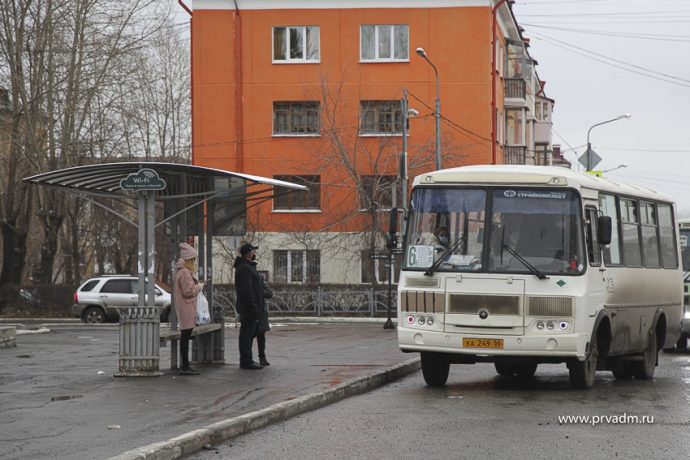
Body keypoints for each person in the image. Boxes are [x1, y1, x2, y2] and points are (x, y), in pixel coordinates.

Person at [173, 242, 205, 375]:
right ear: (189, 259)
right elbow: (188, 292)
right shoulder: (185, 273)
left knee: (185, 337)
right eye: (193, 260)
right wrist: (199, 287)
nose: (194, 262)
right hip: (187, 308)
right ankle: (185, 365)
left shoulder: (180, 272)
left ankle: (185, 365)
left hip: (184, 307)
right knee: (185, 337)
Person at [233, 243, 264, 370]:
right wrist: (253, 307)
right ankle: (246, 360)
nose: (254, 253)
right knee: (246, 334)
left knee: (249, 333)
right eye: (253, 251)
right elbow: (248, 290)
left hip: (250, 306)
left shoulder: (248, 267)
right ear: (248, 254)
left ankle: (247, 359)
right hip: (248, 307)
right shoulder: (245, 268)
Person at [256, 278, 273, 366]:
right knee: (247, 337)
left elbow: (269, 293)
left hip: (260, 311)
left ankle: (262, 357)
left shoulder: (259, 278)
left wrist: (257, 292)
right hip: (249, 310)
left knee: (261, 335)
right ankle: (247, 359)